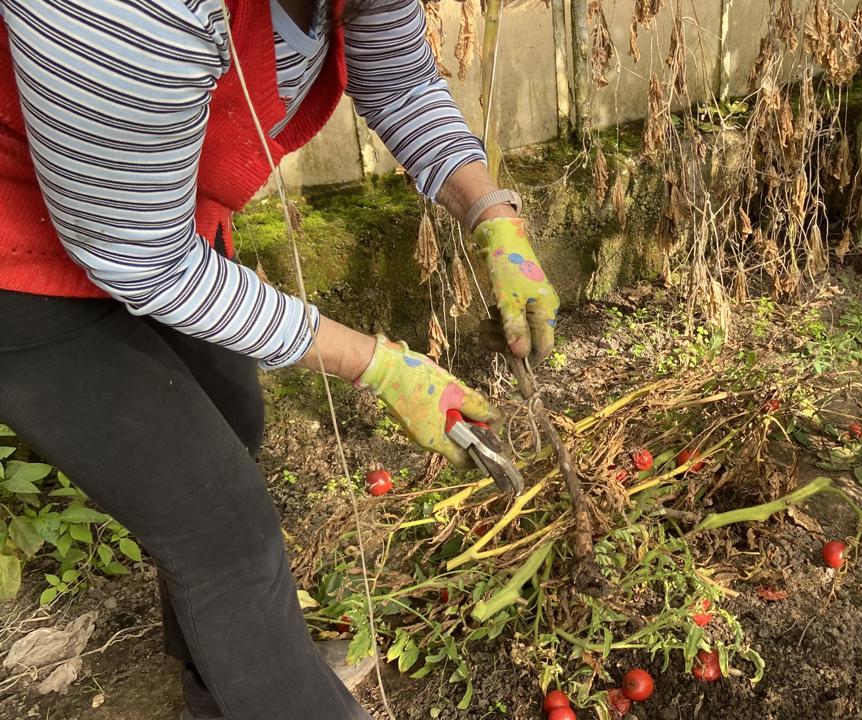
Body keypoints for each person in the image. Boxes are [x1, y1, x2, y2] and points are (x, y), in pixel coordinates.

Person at [0, 0, 559, 718]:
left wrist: (493, 216)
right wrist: (379, 365)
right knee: (223, 532)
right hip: (22, 270)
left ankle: (225, 681)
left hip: (159, 230)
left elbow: (399, 81)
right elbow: (142, 262)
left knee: (233, 421)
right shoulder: (134, 11)